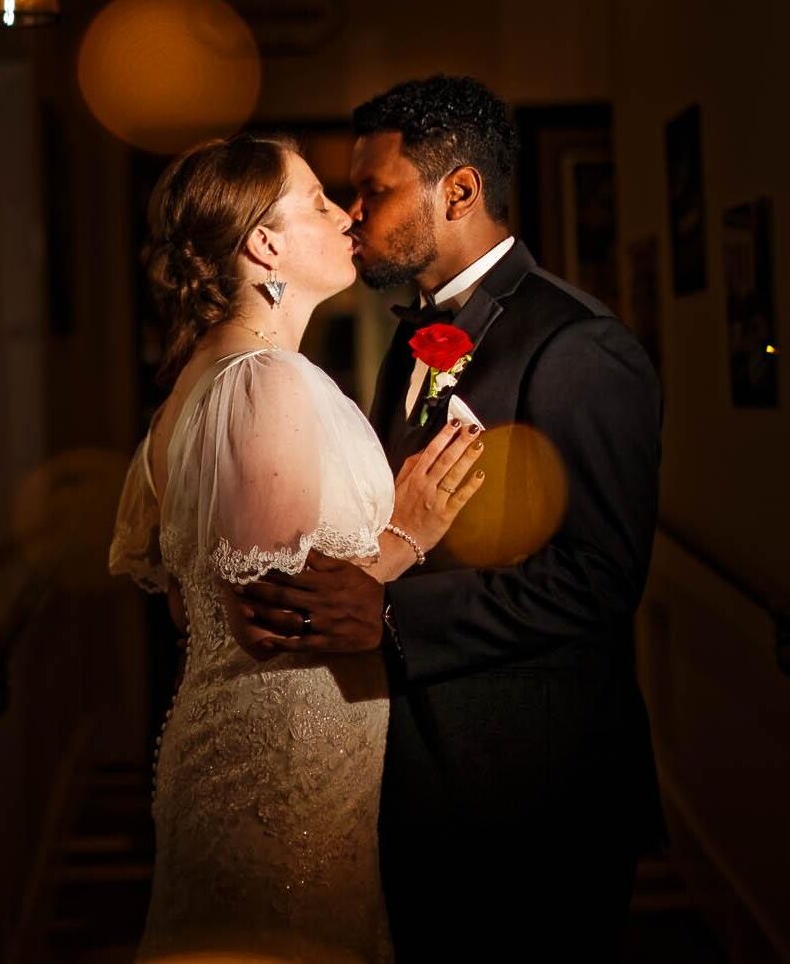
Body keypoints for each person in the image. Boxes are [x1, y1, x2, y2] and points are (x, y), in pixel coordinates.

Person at [236, 75, 665, 963]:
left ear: (459, 190)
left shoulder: (578, 345)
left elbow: (598, 578)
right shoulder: (409, 339)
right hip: (421, 779)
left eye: (374, 189)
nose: (355, 214)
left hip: (538, 791)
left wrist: (389, 615)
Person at [109, 132, 486, 962]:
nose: (346, 214)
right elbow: (272, 620)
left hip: (287, 759)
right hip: (277, 776)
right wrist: (409, 531)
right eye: (317, 201)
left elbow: (191, 608)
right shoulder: (264, 380)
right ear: (264, 244)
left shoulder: (202, 384)